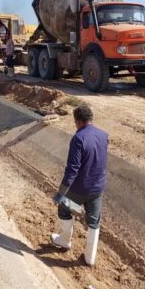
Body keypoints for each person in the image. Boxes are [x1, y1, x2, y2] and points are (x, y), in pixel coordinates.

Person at [51, 105, 108, 266]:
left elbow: (72, 170)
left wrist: (60, 193)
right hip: (98, 187)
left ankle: (64, 240)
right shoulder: (104, 135)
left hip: (80, 188)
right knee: (94, 221)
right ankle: (90, 259)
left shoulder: (78, 139)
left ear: (78, 121)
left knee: (63, 206)